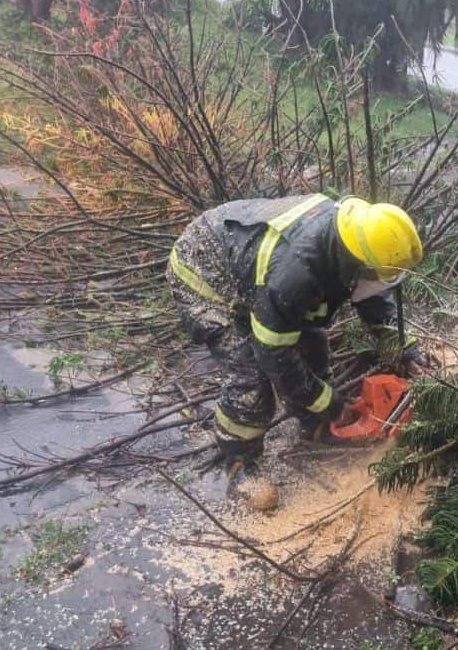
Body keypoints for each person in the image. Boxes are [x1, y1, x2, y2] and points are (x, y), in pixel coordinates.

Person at [166, 193, 425, 475]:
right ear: (356, 263)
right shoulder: (294, 276)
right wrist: (331, 404)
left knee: (312, 342)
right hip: (203, 270)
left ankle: (316, 426)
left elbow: (372, 298)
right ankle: (239, 462)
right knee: (251, 379)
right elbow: (275, 355)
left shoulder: (353, 239)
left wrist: (405, 349)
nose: (376, 281)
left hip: (251, 266)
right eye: (375, 275)